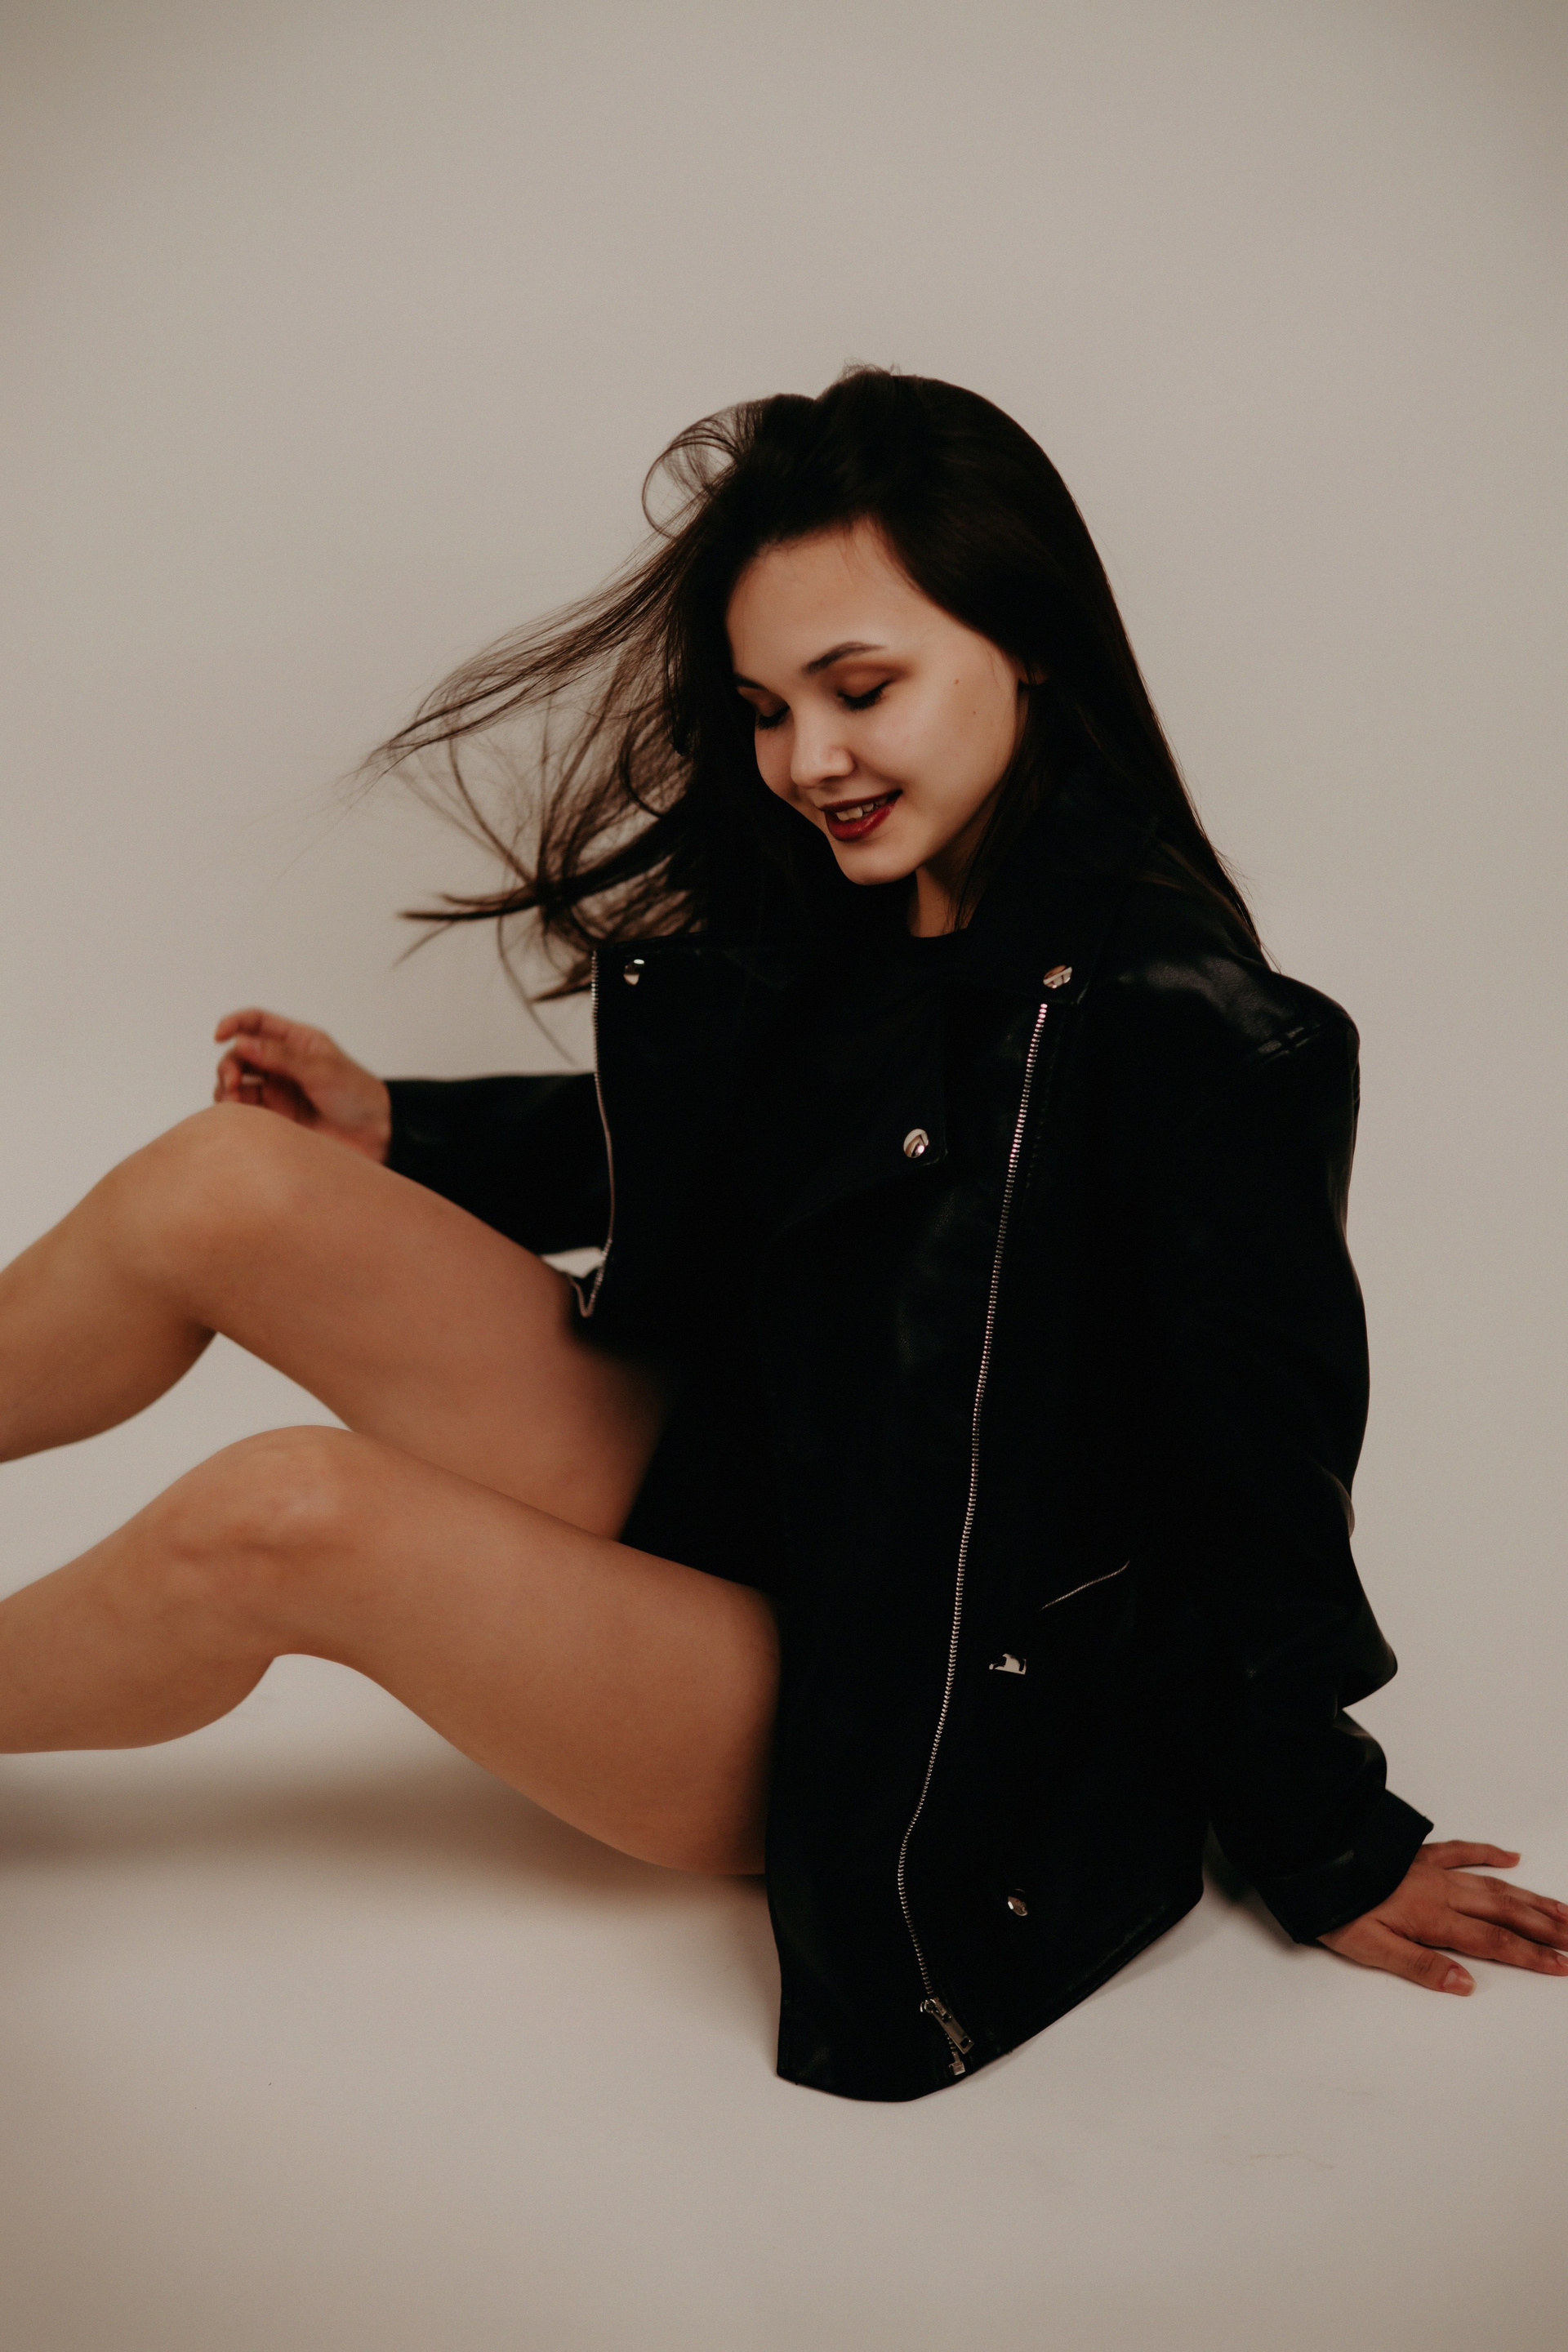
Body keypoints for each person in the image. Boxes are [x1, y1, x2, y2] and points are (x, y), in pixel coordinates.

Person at [1, 369, 1561, 2103]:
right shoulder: (879, 902)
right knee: (220, 1184)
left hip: (875, 1686)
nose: (809, 759)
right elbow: (755, 1148)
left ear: (1029, 644)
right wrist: (402, 1134)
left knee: (276, 1514)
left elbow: (1255, 1487)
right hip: (745, 1479)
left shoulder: (1200, 1034)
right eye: (765, 708)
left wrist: (1328, 1837)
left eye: (860, 688)